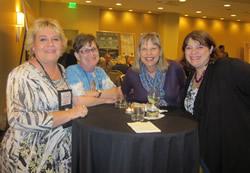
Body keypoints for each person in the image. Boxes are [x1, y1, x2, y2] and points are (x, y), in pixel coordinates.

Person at [0, 18, 88, 172]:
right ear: (33, 46)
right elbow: (18, 119)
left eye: (55, 39)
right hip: (30, 158)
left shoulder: (62, 70)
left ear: (61, 45)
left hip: (59, 156)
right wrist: (69, 114)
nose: (50, 44)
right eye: (43, 39)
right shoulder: (22, 75)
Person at [181, 30, 250, 173]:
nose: (193, 52)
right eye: (189, 47)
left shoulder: (226, 67)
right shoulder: (191, 78)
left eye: (200, 46)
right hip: (205, 151)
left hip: (231, 151)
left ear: (211, 49)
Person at [121, 32, 186, 107]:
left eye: (153, 48)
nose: (149, 53)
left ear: (160, 51)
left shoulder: (175, 68)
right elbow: (125, 94)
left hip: (173, 116)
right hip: (145, 117)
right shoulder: (132, 73)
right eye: (144, 49)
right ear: (139, 52)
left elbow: (183, 90)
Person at [66, 33, 122, 107]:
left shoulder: (99, 71)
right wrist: (105, 100)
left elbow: (115, 94)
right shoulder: (72, 71)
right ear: (77, 55)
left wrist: (94, 93)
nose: (91, 53)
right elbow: (79, 101)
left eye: (93, 49)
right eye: (86, 50)